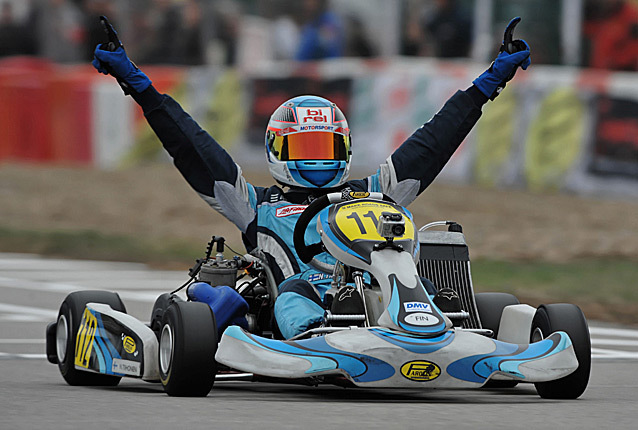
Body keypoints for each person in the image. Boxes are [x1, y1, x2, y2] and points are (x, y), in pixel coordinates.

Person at [91, 20, 531, 339]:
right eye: (306, 149)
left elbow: (433, 142)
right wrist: (136, 82)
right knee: (292, 294)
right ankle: (315, 339)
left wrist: (491, 81)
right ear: (280, 152)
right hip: (305, 308)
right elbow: (192, 146)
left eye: (326, 150)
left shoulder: (374, 192)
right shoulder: (255, 205)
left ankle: (444, 329)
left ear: (344, 151)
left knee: (433, 286)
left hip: (377, 294)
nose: (318, 161)